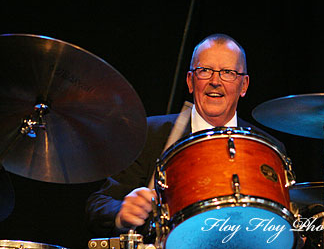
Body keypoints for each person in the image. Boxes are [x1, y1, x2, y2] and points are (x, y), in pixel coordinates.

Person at [85, 33, 286, 241]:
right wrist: (121, 212)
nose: (215, 81)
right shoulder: (150, 134)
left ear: (244, 85)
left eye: (228, 72)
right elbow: (99, 205)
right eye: (205, 71)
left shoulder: (267, 149)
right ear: (190, 81)